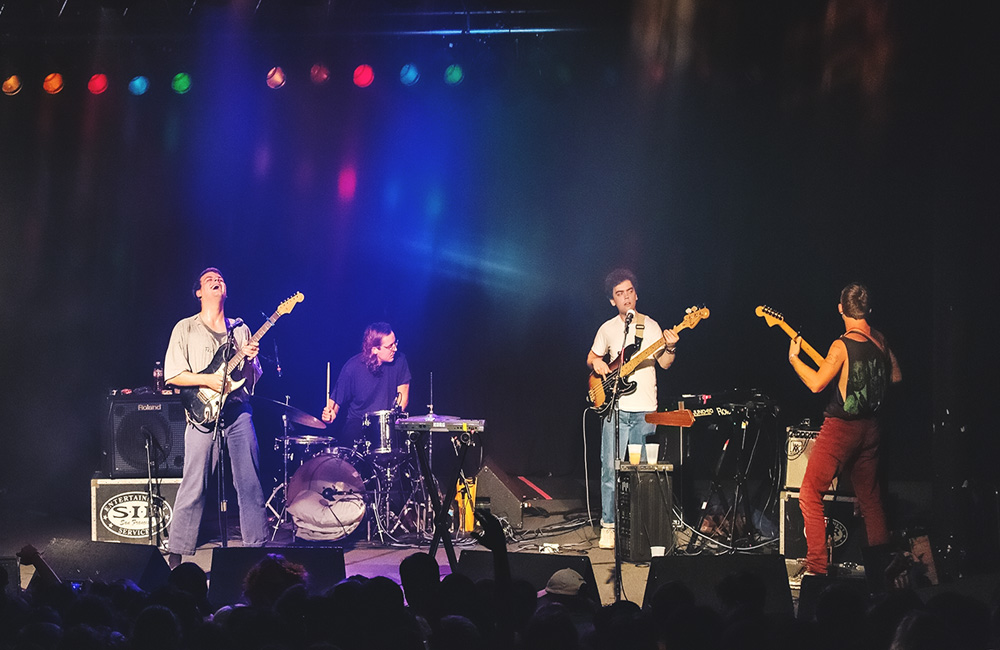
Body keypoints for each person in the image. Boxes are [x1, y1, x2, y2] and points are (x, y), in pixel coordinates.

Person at [787, 282, 901, 575]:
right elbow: (896, 377)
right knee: (871, 501)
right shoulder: (880, 340)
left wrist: (794, 359)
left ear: (841, 309)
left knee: (810, 494)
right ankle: (882, 573)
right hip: (871, 428)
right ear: (868, 310)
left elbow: (815, 383)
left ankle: (816, 568)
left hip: (841, 429)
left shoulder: (841, 345)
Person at [163, 267, 267, 563]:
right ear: (198, 292)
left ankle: (257, 555)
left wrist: (249, 360)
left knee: (249, 482)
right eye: (209, 280)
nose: (216, 281)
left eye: (220, 279)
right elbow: (174, 375)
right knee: (193, 484)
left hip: (237, 411)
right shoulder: (185, 328)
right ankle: (176, 560)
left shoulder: (241, 330)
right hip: (201, 413)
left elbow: (251, 378)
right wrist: (207, 380)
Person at [588, 269, 678, 548]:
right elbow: (592, 357)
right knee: (609, 469)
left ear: (636, 294)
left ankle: (640, 525)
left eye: (629, 291)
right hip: (615, 408)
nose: (626, 297)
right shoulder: (607, 328)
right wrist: (598, 364)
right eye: (619, 294)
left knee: (642, 472)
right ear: (612, 301)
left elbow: (664, 364)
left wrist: (671, 348)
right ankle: (609, 525)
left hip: (644, 411)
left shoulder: (651, 326)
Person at [322, 322, 411, 448]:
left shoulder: (400, 360)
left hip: (388, 422)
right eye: (390, 346)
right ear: (375, 349)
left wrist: (391, 422)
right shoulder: (352, 367)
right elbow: (336, 400)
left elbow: (404, 398)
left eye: (395, 343)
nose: (395, 349)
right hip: (358, 423)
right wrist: (330, 413)